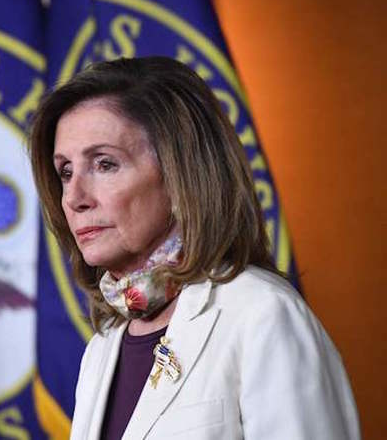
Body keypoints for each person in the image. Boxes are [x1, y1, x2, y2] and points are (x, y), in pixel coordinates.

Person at [28, 57, 360, 439]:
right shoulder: (103, 348)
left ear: (179, 174)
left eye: (104, 164)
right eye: (65, 172)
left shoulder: (263, 315)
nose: (74, 197)